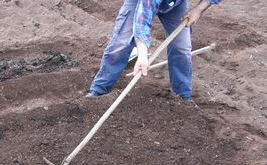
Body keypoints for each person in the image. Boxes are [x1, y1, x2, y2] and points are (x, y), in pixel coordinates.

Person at [85, 0, 221, 104]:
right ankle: (99, 89)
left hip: (176, 4)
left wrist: (199, 9)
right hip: (139, 3)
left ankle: (183, 96)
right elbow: (143, 19)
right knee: (121, 43)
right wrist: (142, 55)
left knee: (182, 48)